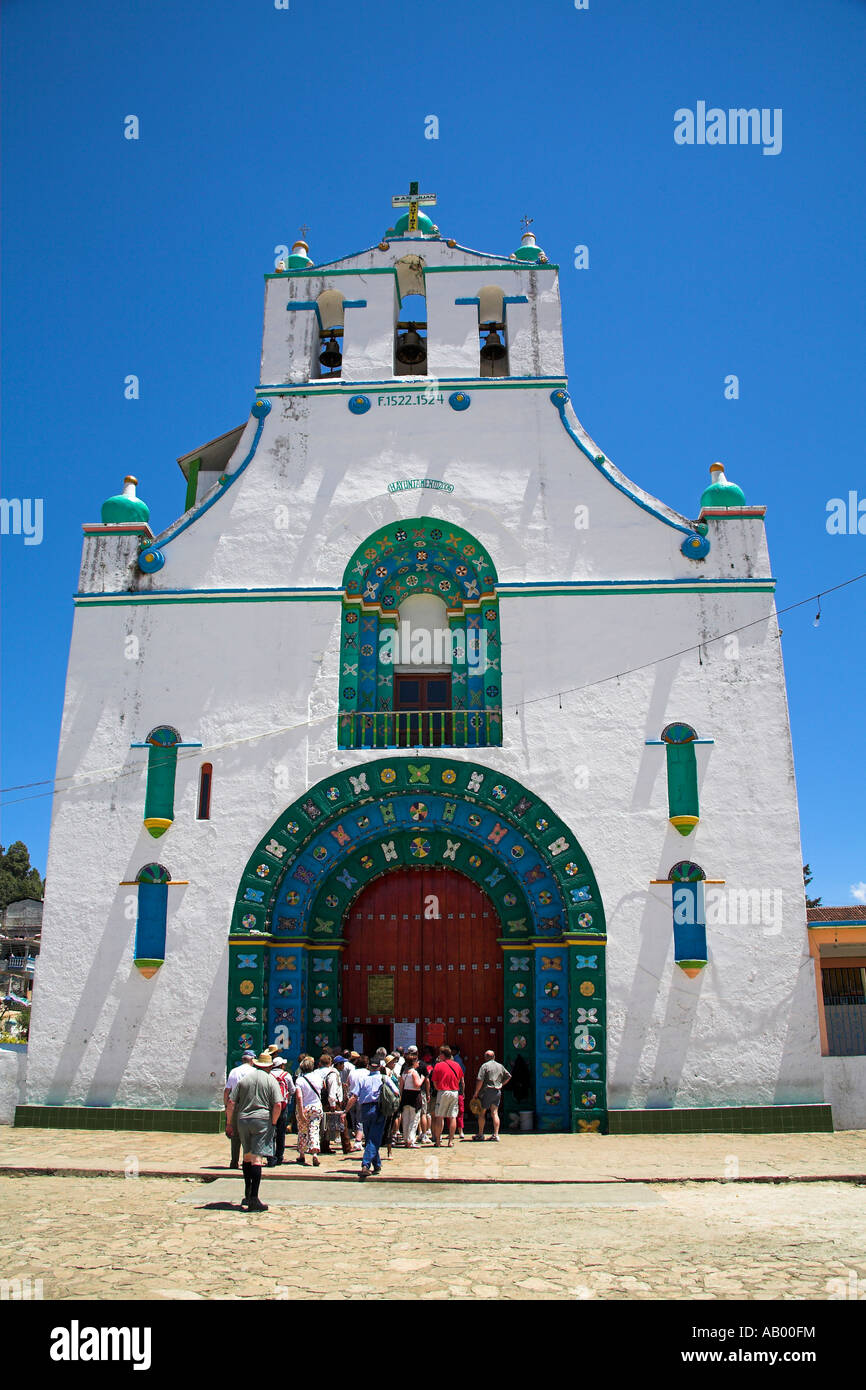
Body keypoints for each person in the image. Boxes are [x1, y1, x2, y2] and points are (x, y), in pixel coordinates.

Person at [225, 1051, 282, 1212]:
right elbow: (278, 1104)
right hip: (262, 1120)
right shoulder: (271, 1080)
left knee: (247, 1156)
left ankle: (247, 1192)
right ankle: (254, 1198)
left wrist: (229, 1123)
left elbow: (231, 1102)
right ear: (269, 1066)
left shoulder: (245, 1080)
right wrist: (274, 1121)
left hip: (243, 1120)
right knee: (257, 1159)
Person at [223, 1050, 255, 1169]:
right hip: (251, 1106)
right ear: (252, 1060)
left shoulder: (234, 1072)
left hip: (236, 1106)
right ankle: (247, 1161)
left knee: (235, 1136)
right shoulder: (255, 1072)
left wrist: (226, 1107)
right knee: (249, 1135)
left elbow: (227, 1091)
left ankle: (234, 1161)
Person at [472, 1051, 512, 1142]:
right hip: (497, 1091)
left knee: (482, 1113)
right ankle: (496, 1134)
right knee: (494, 1112)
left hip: (487, 1091)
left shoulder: (484, 1066)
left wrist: (476, 1092)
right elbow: (509, 1076)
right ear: (494, 1056)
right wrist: (501, 1084)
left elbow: (480, 1080)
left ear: (486, 1057)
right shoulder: (500, 1066)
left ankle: (481, 1134)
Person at [356, 1056, 385, 1179]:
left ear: (369, 1066)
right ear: (380, 1067)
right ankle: (366, 1165)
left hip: (365, 1109)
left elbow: (354, 1095)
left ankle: (377, 1164)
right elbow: (395, 1092)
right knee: (374, 1139)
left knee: (370, 1138)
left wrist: (345, 1111)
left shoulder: (363, 1080)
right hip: (378, 1110)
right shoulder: (384, 1078)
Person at [430, 1045, 463, 1148]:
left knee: (440, 1116)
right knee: (453, 1116)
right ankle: (450, 1141)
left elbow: (434, 1081)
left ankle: (438, 1141)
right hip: (454, 1092)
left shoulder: (438, 1066)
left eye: (440, 1054)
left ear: (443, 1055)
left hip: (443, 1091)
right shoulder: (457, 1065)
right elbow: (459, 1080)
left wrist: (438, 1088)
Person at [294, 1055, 325, 1167]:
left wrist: (301, 1111)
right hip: (316, 1107)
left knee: (302, 1131)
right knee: (314, 1129)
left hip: (305, 1107)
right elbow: (323, 1087)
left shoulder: (300, 1080)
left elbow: (299, 1097)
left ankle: (302, 1154)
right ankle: (315, 1153)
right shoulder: (318, 1077)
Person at [268, 1056, 295, 1165]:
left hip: (270, 1107)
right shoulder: (286, 1075)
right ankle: (279, 1156)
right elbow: (292, 1090)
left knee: (270, 1132)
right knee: (281, 1132)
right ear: (281, 1066)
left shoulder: (269, 1075)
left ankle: (270, 1156)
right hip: (283, 1107)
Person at [399, 1049, 424, 1148]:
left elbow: (401, 1086)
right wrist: (422, 1079)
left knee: (406, 1118)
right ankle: (411, 1139)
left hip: (406, 1096)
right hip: (414, 1097)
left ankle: (406, 1138)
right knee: (414, 1119)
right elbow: (417, 1085)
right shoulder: (414, 1072)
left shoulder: (404, 1072)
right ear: (413, 1062)